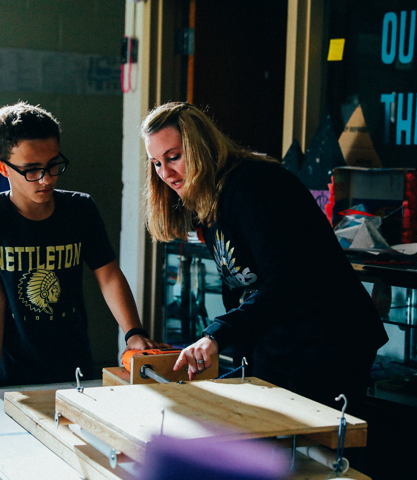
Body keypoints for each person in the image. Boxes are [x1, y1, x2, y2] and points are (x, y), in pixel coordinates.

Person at [141, 102, 388, 418]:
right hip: (284, 335)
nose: (166, 173)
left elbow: (286, 280)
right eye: (156, 163)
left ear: (200, 147)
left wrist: (218, 334)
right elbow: (240, 287)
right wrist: (238, 355)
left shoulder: (252, 185)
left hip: (330, 338)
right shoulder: (206, 197)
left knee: (314, 449)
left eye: (174, 157)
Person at [0, 102, 166, 387]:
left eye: (53, 165)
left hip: (74, 364)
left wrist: (133, 332)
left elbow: (109, 275)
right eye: (32, 170)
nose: (47, 178)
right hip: (13, 370)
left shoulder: (79, 209)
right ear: (4, 169)